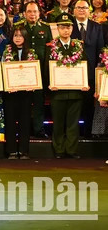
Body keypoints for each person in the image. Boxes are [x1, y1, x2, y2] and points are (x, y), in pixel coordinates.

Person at [48, 13, 88, 158]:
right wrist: (50, 83)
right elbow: (47, 69)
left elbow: (85, 66)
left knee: (73, 123)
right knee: (58, 123)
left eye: (69, 27)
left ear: (72, 29)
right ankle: (58, 150)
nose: (66, 30)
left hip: (75, 92)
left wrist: (85, 83)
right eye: (63, 27)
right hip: (57, 92)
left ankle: (71, 150)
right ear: (57, 28)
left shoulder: (78, 46)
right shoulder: (51, 47)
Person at [17, 1, 52, 138]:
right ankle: (23, 129)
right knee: (23, 103)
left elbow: (49, 51)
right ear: (24, 13)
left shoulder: (45, 28)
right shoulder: (19, 27)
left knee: (38, 102)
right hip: (22, 72)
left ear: (39, 13)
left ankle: (39, 129)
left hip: (40, 72)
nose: (32, 14)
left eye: (35, 11)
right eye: (29, 11)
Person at [2, 26, 35, 159]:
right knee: (10, 121)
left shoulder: (31, 53)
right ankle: (11, 150)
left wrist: (32, 84)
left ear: (25, 37)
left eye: (20, 36)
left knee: (25, 121)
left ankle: (23, 150)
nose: (18, 38)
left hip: (25, 94)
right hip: (11, 93)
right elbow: (3, 70)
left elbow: (34, 72)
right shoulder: (7, 52)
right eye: (15, 36)